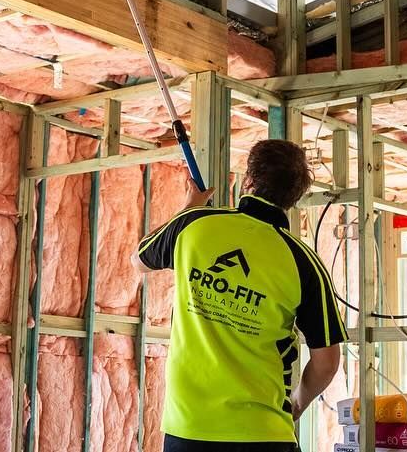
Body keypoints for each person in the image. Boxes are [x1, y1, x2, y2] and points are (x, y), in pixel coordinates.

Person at [133, 139, 346, 451]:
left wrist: (190, 207)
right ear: (295, 197)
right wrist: (295, 404)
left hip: (189, 431)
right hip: (263, 433)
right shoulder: (304, 263)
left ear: (249, 181)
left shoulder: (194, 225)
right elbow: (326, 362)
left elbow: (138, 260)